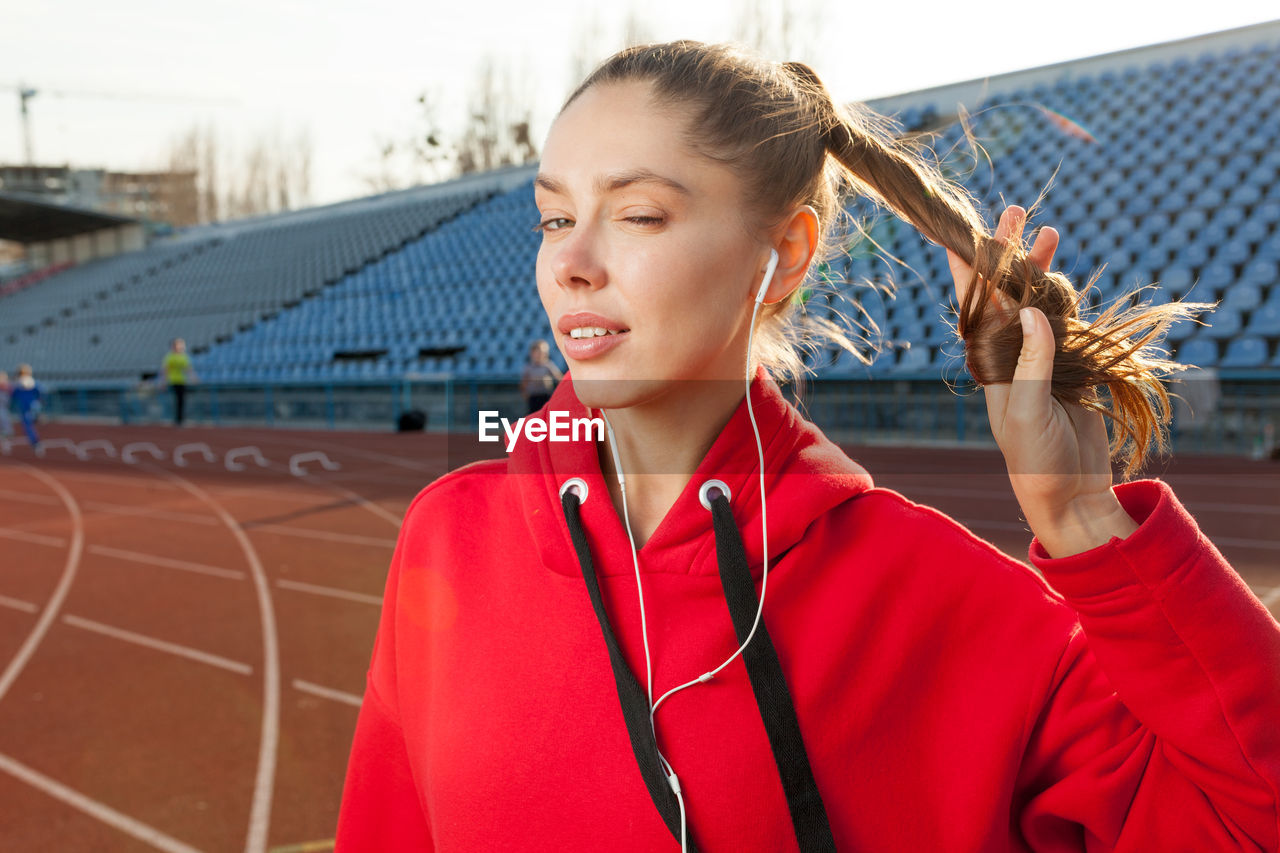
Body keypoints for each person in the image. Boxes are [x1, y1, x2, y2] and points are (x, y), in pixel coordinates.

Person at [336, 42, 1280, 851]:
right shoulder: (447, 541)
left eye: (637, 215)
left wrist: (1079, 517)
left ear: (783, 256)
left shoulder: (933, 596)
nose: (570, 260)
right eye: (553, 215)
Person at [520, 338, 564, 415]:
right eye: (539, 352)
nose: (542, 354)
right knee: (533, 414)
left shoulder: (548, 365)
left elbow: (559, 377)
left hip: (545, 395)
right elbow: (524, 382)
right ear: (532, 353)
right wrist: (525, 394)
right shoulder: (529, 367)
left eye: (544, 352)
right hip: (533, 396)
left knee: (546, 413)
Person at [159, 338, 197, 426]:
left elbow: (188, 369)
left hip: (182, 381)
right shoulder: (169, 357)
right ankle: (177, 419)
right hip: (173, 381)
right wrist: (163, 382)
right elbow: (165, 370)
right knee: (177, 401)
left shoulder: (184, 357)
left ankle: (180, 419)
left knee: (181, 401)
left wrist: (193, 378)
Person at [10, 364, 42, 454]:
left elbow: (14, 394)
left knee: (27, 425)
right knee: (30, 424)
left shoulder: (19, 383)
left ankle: (35, 443)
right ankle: (35, 442)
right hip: (33, 406)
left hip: (26, 407)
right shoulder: (33, 382)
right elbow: (39, 393)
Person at [0, 370, 13, 439]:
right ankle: (5, 431)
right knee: (2, 417)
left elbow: (9, 390)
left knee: (3, 416)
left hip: (3, 403)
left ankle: (8, 431)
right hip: (2, 403)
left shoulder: (6, 384)